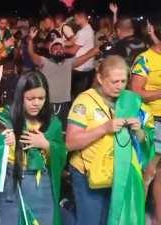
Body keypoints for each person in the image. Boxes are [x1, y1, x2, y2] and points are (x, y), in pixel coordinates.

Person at [0, 57, 67, 225]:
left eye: (41, 98)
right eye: (30, 99)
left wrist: (46, 145)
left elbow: (62, 154)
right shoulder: (7, 115)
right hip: (11, 186)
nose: (36, 103)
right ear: (20, 97)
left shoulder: (53, 123)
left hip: (42, 189)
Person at [66, 55, 153, 225]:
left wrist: (139, 131)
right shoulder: (85, 101)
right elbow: (70, 142)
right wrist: (103, 129)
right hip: (88, 176)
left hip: (119, 175)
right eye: (114, 82)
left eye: (123, 81)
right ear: (100, 78)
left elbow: (145, 142)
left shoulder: (130, 101)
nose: (119, 86)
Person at [27, 27, 99, 129]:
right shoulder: (44, 62)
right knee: (46, 130)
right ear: (50, 52)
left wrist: (100, 47)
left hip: (64, 105)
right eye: (55, 48)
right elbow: (31, 54)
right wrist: (30, 40)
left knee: (62, 131)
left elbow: (88, 55)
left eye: (61, 48)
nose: (59, 50)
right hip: (47, 104)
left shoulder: (69, 63)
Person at [130, 18, 161, 225]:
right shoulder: (145, 59)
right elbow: (135, 93)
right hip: (153, 122)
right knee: (148, 172)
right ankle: (137, 218)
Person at [65, 9, 95, 99]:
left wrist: (60, 50)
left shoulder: (83, 32)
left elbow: (73, 51)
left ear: (81, 18)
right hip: (86, 68)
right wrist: (60, 42)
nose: (75, 20)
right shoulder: (86, 29)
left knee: (77, 97)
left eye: (76, 18)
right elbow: (72, 42)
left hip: (81, 70)